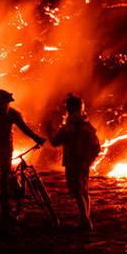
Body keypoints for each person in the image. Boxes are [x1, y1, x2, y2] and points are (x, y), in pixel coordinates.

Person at [0, 89, 42, 220]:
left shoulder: (12, 114)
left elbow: (24, 128)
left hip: (5, 152)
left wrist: (36, 138)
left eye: (7, 102)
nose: (7, 105)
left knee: (4, 181)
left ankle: (4, 210)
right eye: (5, 102)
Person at [48, 93, 102, 230]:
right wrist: (89, 160)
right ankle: (86, 219)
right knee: (84, 191)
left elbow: (55, 142)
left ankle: (85, 220)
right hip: (84, 163)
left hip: (72, 163)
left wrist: (49, 131)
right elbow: (97, 147)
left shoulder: (68, 128)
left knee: (77, 192)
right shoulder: (87, 126)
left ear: (70, 108)